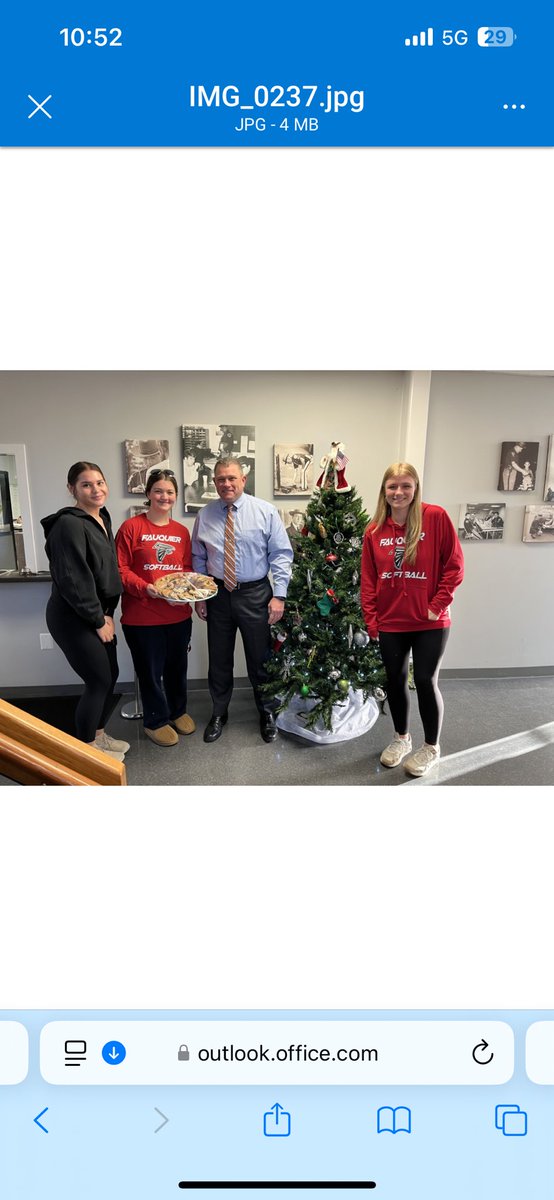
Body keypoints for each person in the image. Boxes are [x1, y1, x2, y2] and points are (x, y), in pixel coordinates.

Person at [361, 462, 464, 777]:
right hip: (391, 620)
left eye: (406, 485)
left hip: (429, 621)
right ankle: (401, 739)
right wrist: (372, 619)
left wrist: (437, 605)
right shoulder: (374, 530)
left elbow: (454, 566)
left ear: (415, 488)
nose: (399, 492)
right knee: (394, 680)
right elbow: (368, 579)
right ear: (384, 491)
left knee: (424, 681)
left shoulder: (435, 517)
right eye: (392, 486)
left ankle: (431, 746)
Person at [191, 457, 293, 743]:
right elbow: (198, 556)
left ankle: (267, 712)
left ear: (243, 480)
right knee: (219, 659)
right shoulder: (205, 515)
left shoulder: (265, 511)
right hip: (217, 594)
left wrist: (279, 595)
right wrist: (201, 595)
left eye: (231, 478)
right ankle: (219, 713)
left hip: (255, 594)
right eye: (221, 479)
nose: (226, 484)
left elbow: (281, 554)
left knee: (260, 659)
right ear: (215, 482)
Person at [41, 462, 128, 762]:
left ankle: (99, 735)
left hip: (99, 614)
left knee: (112, 674)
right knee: (98, 680)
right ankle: (87, 751)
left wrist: (108, 613)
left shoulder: (101, 517)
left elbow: (105, 572)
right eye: (86, 484)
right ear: (72, 489)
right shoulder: (68, 524)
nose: (96, 490)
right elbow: (73, 579)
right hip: (73, 617)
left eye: (100, 482)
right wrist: (97, 619)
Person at [115, 469, 196, 747]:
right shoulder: (131, 528)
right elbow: (120, 569)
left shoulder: (181, 532)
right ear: (148, 493)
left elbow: (186, 568)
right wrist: (146, 588)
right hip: (142, 616)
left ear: (176, 496)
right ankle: (155, 720)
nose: (164, 496)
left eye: (170, 492)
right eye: (159, 491)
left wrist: (184, 593)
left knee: (177, 668)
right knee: (150, 672)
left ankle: (177, 711)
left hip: (178, 615)